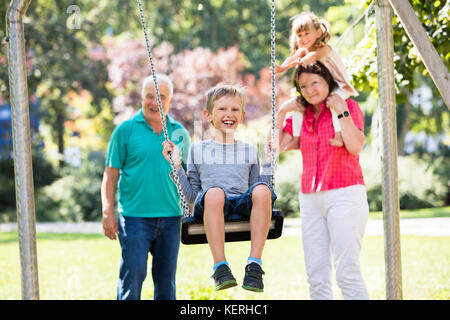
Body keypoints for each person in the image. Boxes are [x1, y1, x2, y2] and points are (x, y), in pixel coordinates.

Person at [162, 83, 277, 292]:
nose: (229, 114)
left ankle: (254, 265)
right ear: (208, 115)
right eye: (222, 109)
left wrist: (269, 162)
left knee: (262, 189)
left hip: (241, 204)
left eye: (235, 109)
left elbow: (260, 192)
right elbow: (190, 196)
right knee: (214, 193)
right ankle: (220, 267)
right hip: (212, 205)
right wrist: (177, 166)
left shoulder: (250, 150)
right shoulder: (198, 149)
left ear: (241, 116)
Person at [276, 61, 370, 300]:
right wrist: (280, 112)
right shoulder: (301, 115)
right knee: (316, 275)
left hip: (345, 194)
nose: (309, 90)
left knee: (347, 271)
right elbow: (278, 145)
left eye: (315, 82)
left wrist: (341, 110)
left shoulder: (347, 106)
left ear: (328, 81)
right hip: (310, 198)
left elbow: (356, 145)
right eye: (303, 86)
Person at [101, 74, 190, 300]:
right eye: (149, 96)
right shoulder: (125, 130)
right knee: (131, 282)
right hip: (134, 218)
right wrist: (107, 212)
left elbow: (189, 178)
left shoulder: (180, 133)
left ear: (170, 100)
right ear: (141, 98)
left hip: (171, 218)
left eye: (161, 97)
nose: (154, 102)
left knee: (166, 286)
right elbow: (110, 175)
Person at [275, 11, 358, 150]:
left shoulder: (324, 48)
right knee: (298, 104)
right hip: (324, 86)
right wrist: (282, 67)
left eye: (307, 33)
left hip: (339, 85)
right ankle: (296, 139)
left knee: (334, 101)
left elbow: (314, 56)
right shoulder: (303, 51)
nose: (303, 38)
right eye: (300, 35)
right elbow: (292, 58)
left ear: (318, 33)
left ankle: (338, 135)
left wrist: (307, 58)